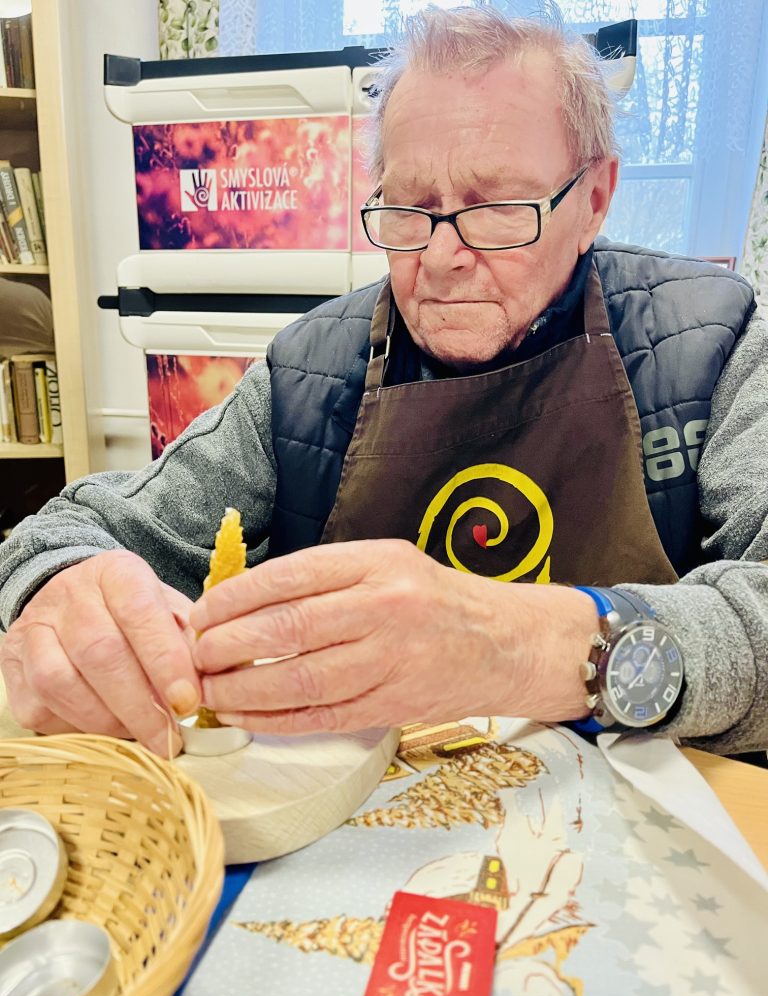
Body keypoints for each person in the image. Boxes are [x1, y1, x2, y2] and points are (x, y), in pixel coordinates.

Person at [0, 7, 766, 760]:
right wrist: (59, 589)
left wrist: (514, 647)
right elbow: (67, 532)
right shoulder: (309, 375)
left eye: (498, 208)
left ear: (594, 199)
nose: (440, 257)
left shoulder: (710, 343)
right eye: (409, 208)